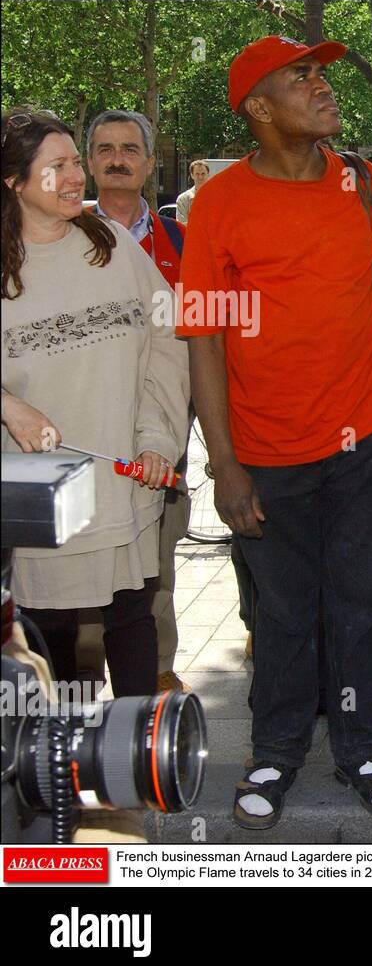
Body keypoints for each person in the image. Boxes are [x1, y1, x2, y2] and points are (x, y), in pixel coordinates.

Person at [179, 35, 372, 829]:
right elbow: (203, 337)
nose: (321, 85)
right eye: (300, 76)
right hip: (267, 456)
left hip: (367, 442)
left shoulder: (363, 182)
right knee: (280, 614)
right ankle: (274, 752)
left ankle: (359, 746)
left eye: (322, 72)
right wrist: (224, 465)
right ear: (260, 109)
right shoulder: (221, 204)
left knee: (351, 606)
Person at [1, 109, 189, 700]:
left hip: (121, 483)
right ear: (15, 182)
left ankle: (132, 764)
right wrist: (8, 405)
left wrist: (157, 436)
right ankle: (53, 773)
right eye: (55, 167)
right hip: (39, 497)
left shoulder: (109, 246)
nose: (77, 176)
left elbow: (167, 338)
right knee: (48, 635)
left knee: (131, 620)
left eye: (74, 162)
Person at [79, 109, 193, 696]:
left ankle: (156, 665)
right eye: (104, 149)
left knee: (158, 544)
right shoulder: (66, 236)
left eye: (129, 148)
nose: (117, 158)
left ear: (149, 163)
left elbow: (202, 331)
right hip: (87, 416)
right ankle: (85, 667)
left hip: (163, 418)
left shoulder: (182, 241)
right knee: (86, 543)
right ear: (88, 161)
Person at [175, 159, 209, 224]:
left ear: (208, 174)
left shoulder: (216, 197)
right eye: (197, 174)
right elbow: (181, 224)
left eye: (203, 174)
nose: (200, 177)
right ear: (192, 175)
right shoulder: (183, 199)